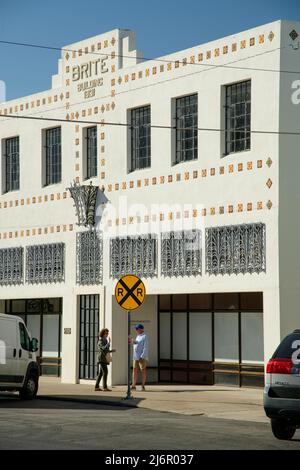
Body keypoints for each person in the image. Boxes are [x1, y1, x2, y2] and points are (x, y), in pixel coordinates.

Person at [131, 324, 149, 391]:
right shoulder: (138, 336)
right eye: (136, 329)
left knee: (143, 370)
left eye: (137, 329)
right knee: (134, 370)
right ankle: (133, 385)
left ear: (141, 329)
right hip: (135, 356)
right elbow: (138, 344)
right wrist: (133, 342)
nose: (136, 330)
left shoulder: (145, 336)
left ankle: (143, 386)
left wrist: (142, 356)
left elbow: (145, 347)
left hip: (141, 356)